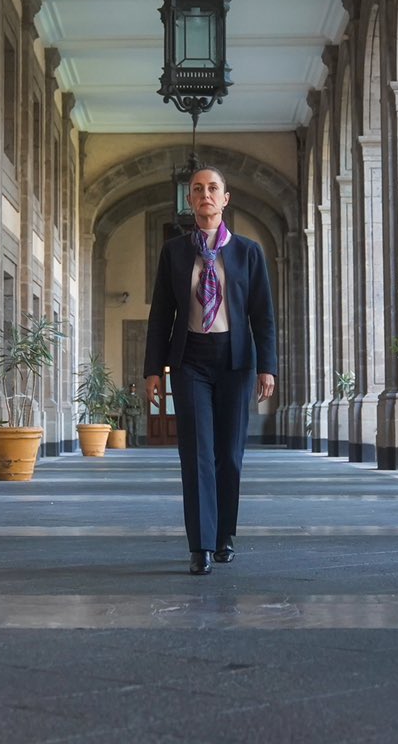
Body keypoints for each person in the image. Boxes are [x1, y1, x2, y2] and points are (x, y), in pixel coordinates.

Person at [144, 165, 277, 575]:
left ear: (225, 199)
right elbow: (161, 314)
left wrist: (267, 367)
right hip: (189, 361)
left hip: (236, 360)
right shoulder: (175, 252)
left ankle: (224, 536)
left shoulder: (248, 253)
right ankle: (200, 544)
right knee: (197, 453)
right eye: (197, 189)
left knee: (229, 456)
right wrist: (152, 370)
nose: (205, 194)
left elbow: (263, 316)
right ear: (190, 200)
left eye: (212, 188)